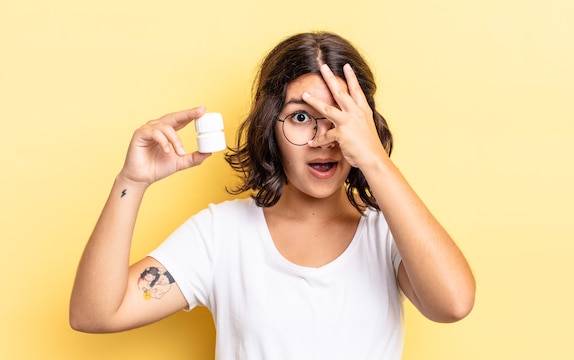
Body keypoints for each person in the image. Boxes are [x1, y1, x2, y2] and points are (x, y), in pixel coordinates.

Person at [70, 31, 475, 359]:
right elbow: (95, 313)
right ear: (270, 125)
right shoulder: (221, 235)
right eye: (301, 117)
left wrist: (373, 158)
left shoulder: (390, 233)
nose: (322, 139)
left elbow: (453, 304)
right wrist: (132, 181)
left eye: (338, 117)